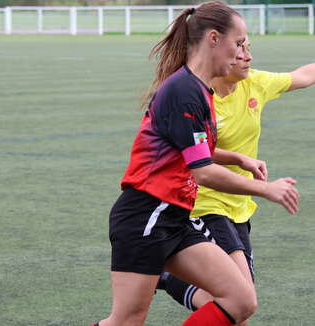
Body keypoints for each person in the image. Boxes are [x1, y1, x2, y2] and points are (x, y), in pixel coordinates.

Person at [91, 3, 299, 326]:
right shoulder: (183, 90)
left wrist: (237, 158)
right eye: (239, 43)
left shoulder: (202, 91)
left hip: (175, 219)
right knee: (126, 321)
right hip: (146, 216)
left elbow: (192, 150)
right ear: (214, 39)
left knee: (241, 300)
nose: (244, 52)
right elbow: (202, 171)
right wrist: (266, 189)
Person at [156, 35, 315, 325]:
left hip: (239, 206)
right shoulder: (198, 95)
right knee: (241, 304)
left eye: (249, 49)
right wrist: (242, 162)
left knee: (237, 308)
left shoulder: (255, 82)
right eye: (240, 49)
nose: (247, 56)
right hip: (204, 203)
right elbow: (192, 149)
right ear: (219, 53)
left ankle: (169, 279)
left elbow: (303, 76)